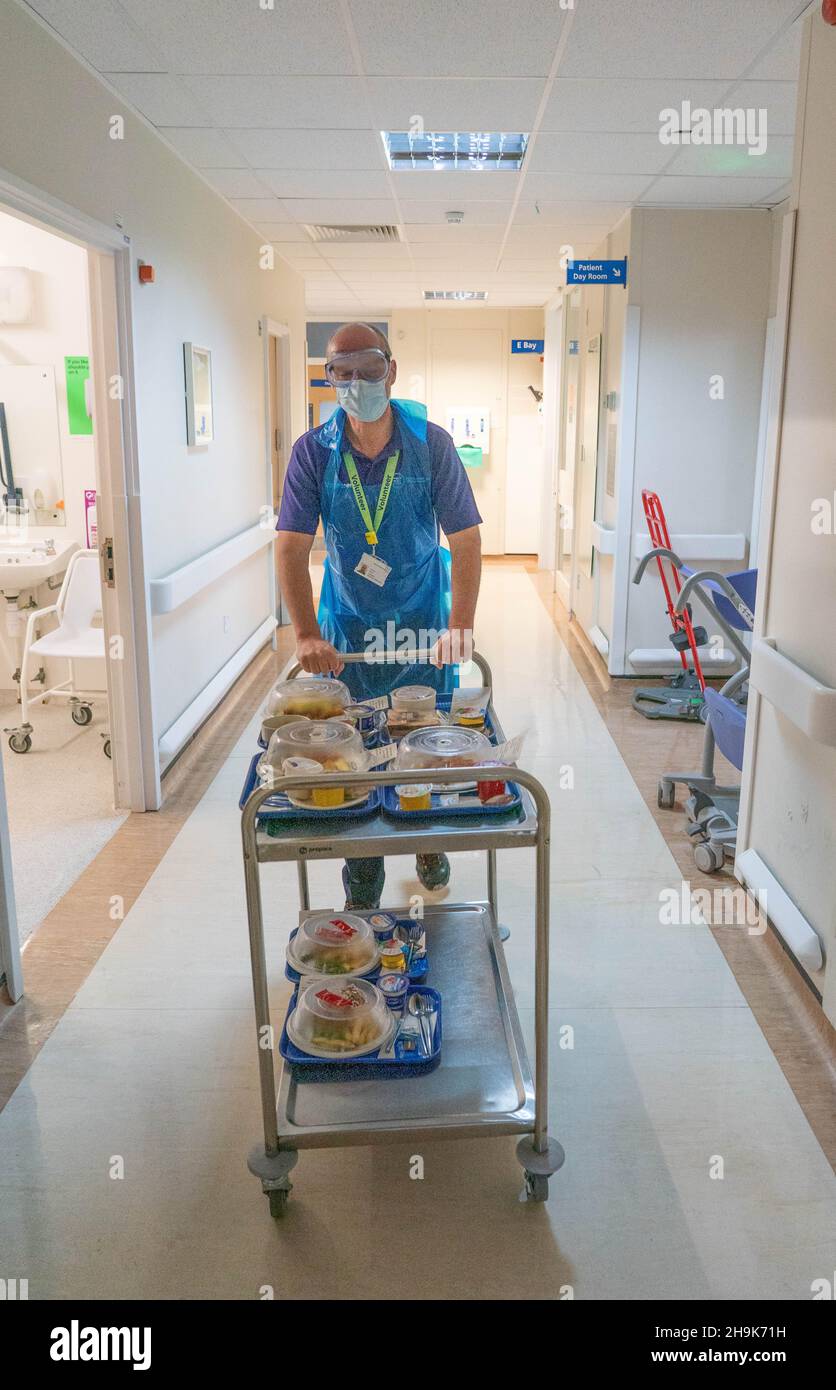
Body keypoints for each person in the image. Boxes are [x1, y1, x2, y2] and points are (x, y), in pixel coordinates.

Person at [276, 321, 482, 909]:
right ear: (329, 379)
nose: (359, 382)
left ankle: (424, 840)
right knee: (355, 752)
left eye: (370, 369)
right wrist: (307, 634)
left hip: (420, 623)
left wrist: (460, 626)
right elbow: (291, 545)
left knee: (421, 741)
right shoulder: (314, 452)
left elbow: (465, 540)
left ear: (392, 370)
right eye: (344, 373)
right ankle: (362, 866)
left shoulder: (430, 444)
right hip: (348, 630)